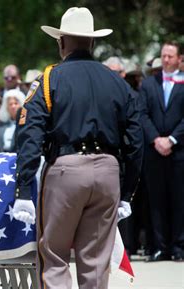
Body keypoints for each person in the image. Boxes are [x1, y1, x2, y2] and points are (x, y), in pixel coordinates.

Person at [13, 7, 143, 289]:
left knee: (54, 256)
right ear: (92, 42)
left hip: (66, 171)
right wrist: (128, 191)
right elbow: (135, 139)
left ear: (61, 42)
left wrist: (23, 186)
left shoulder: (50, 78)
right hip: (108, 172)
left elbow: (30, 133)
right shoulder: (117, 82)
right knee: (95, 263)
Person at [139, 41, 184, 262]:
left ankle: (178, 246)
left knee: (179, 199)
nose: (165, 60)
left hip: (179, 152)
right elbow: (142, 114)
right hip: (154, 151)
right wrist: (156, 139)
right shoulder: (148, 84)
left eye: (170, 56)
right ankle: (159, 246)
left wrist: (173, 139)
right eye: (163, 55)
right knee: (156, 201)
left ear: (179, 59)